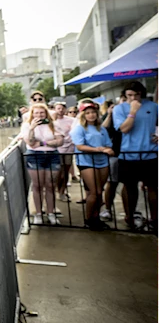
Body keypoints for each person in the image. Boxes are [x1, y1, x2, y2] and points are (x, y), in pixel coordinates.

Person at [112, 81, 159, 232]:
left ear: (141, 93)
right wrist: (132, 112)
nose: (133, 97)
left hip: (150, 154)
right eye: (129, 95)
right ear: (124, 95)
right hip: (128, 155)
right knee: (130, 188)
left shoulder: (152, 106)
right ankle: (130, 217)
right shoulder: (119, 109)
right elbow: (124, 129)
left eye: (136, 95)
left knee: (153, 188)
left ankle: (155, 219)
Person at [70, 100, 114, 231]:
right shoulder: (79, 129)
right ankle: (89, 219)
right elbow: (80, 146)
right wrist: (99, 149)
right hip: (86, 162)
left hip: (102, 162)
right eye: (88, 113)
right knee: (94, 192)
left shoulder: (102, 129)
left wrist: (106, 149)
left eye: (93, 112)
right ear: (83, 115)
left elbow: (108, 144)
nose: (91, 115)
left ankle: (96, 218)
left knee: (100, 192)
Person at [21, 103, 64, 225]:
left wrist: (43, 143)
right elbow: (30, 142)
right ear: (32, 114)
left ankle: (50, 213)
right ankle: (38, 214)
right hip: (35, 156)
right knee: (37, 185)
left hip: (52, 156)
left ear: (46, 113)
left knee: (50, 185)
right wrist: (32, 129)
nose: (39, 115)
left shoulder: (53, 124)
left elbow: (60, 141)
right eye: (36, 113)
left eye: (42, 113)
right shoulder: (27, 125)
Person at [100, 97, 123, 221]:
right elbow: (102, 129)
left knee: (128, 184)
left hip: (130, 153)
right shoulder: (111, 115)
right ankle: (107, 208)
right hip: (114, 153)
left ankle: (131, 212)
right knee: (112, 182)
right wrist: (109, 114)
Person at [52, 101, 76, 204]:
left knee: (66, 171)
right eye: (58, 108)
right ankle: (59, 190)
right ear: (55, 109)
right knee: (59, 172)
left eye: (62, 108)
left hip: (69, 147)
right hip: (57, 149)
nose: (60, 110)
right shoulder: (52, 121)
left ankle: (63, 190)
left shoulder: (71, 120)